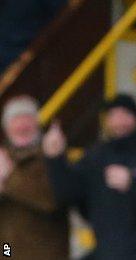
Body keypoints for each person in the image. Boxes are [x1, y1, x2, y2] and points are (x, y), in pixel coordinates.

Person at [43, 95, 136, 260]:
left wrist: (133, 184)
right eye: (112, 115)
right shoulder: (96, 156)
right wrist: (55, 159)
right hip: (109, 252)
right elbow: (68, 194)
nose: (118, 121)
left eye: (123, 114)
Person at [0, 95, 68, 259]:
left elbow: (51, 199)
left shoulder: (51, 155)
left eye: (27, 119)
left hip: (43, 253)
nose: (22, 125)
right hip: (7, 250)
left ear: (37, 123)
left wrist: (8, 178)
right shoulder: (3, 156)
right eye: (16, 119)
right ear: (6, 126)